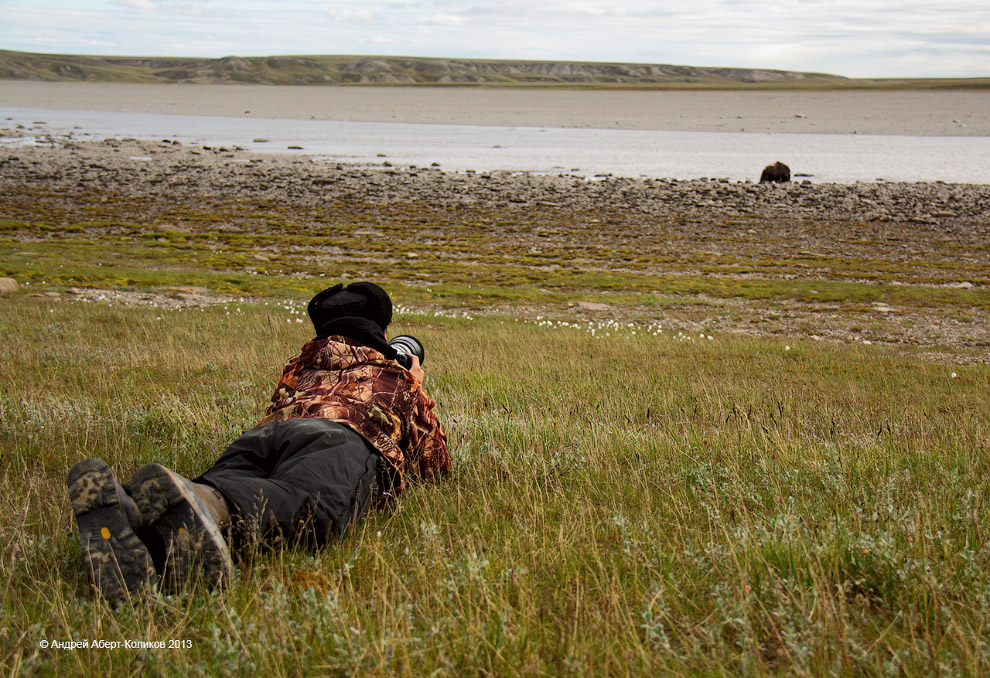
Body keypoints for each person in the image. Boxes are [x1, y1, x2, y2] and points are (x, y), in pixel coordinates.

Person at [66, 282, 450, 602]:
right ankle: (206, 507)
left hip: (266, 435)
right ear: (380, 333)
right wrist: (413, 379)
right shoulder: (393, 376)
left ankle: (138, 516)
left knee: (222, 482)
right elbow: (434, 463)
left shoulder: (301, 366)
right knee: (313, 506)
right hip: (340, 437)